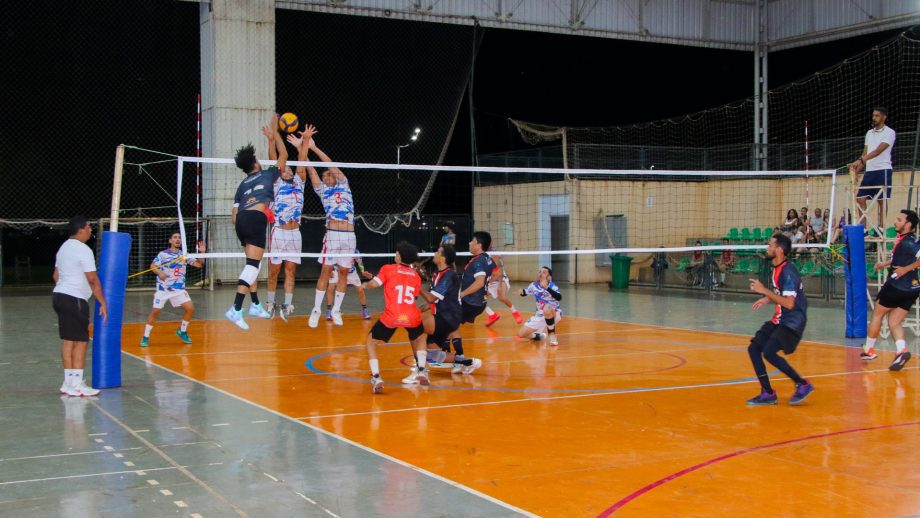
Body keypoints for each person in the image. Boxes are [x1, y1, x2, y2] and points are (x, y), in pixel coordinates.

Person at [287, 130, 355, 328]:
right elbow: (311, 170)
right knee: (325, 272)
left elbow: (330, 165)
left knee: (343, 273)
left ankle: (336, 310)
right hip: (332, 236)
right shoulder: (323, 191)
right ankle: (316, 309)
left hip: (349, 236)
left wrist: (313, 147)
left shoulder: (344, 184)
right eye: (324, 176)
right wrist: (301, 149)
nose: (326, 177)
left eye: (328, 174)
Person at [225, 115, 288, 330]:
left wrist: (270, 141)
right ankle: (235, 308)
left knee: (253, 265)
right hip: (255, 219)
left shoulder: (243, 184)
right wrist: (276, 133)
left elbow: (234, 214)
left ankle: (255, 304)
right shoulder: (267, 175)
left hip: (241, 220)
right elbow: (284, 155)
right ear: (255, 163)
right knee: (253, 266)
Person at [745, 233, 815, 405]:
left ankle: (802, 384)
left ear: (780, 250)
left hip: (792, 321)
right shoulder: (776, 268)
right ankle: (767, 392)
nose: (767, 248)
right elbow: (781, 293)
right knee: (754, 349)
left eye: (770, 245)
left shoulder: (788, 272)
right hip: (780, 318)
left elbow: (790, 304)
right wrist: (767, 298)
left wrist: (765, 291)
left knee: (768, 352)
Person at [361, 241, 429, 393]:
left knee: (371, 341)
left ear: (399, 255)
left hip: (392, 315)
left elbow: (375, 284)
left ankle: (376, 376)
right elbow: (413, 296)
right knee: (421, 337)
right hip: (411, 314)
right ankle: (422, 369)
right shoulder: (416, 276)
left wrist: (365, 284)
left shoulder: (387, 268)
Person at [263, 124, 315, 321]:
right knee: (274, 271)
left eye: (290, 169)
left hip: (295, 233)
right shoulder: (276, 184)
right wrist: (271, 139)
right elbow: (274, 160)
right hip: (279, 232)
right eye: (285, 169)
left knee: (291, 270)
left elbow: (302, 160)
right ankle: (270, 303)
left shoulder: (299, 183)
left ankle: (287, 304)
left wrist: (306, 141)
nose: (288, 170)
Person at [53, 216, 108, 397]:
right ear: (81, 229)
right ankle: (77, 384)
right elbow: (92, 278)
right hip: (74, 299)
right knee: (81, 341)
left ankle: (68, 383)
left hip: (60, 296)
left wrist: (68, 284)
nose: (91, 230)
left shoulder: (63, 248)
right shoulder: (83, 250)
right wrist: (102, 301)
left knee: (69, 340)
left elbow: (56, 275)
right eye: (89, 227)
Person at [860, 209, 920, 371]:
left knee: (878, 314)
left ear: (908, 224)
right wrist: (884, 264)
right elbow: (900, 257)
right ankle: (902, 351)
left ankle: (868, 350)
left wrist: (905, 269)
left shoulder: (909, 242)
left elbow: (915, 260)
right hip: (913, 288)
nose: (895, 222)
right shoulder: (908, 240)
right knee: (894, 321)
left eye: (899, 220)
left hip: (898, 285)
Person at [418, 244, 482, 376]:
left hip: (449, 317)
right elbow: (433, 300)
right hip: (442, 316)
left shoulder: (449, 275)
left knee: (417, 328)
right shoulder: (437, 275)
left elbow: (430, 298)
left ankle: (419, 371)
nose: (434, 254)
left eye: (437, 252)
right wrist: (419, 309)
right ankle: (468, 362)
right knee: (433, 356)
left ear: (443, 258)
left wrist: (416, 285)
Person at [141, 232, 205, 346]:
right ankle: (145, 336)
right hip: (163, 289)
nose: (178, 239)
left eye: (179, 238)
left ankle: (182, 331)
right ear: (170, 240)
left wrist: (202, 253)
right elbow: (153, 266)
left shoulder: (184, 255)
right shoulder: (163, 254)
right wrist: (160, 272)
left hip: (178, 289)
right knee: (155, 311)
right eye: (175, 237)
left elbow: (199, 265)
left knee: (190, 309)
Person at [446, 231, 495, 373]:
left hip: (471, 302)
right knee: (450, 325)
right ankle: (457, 358)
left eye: (472, 241)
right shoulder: (487, 259)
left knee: (448, 324)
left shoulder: (479, 261)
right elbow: (492, 274)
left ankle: (461, 361)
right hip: (478, 302)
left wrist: (461, 294)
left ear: (479, 245)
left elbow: (480, 282)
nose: (469, 243)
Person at [850, 107, 896, 231]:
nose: (874, 118)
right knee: (860, 199)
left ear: (884, 117)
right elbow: (865, 153)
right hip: (870, 171)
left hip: (883, 170)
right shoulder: (869, 133)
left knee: (882, 199)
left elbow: (877, 151)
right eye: (873, 115)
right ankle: (863, 228)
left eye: (877, 116)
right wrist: (857, 168)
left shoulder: (890, 132)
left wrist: (861, 160)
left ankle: (881, 226)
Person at [516, 266, 563, 346]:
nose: (541, 274)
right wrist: (521, 292)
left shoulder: (552, 286)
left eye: (544, 272)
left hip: (554, 312)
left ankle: (552, 336)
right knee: (521, 334)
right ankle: (538, 336)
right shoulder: (534, 285)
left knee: (546, 308)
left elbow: (559, 297)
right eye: (539, 272)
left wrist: (547, 288)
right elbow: (526, 292)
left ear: (549, 277)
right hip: (539, 315)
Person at [325, 249, 373, 320]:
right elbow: (330, 259)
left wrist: (363, 271)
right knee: (330, 287)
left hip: (351, 272)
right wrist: (330, 270)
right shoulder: (337, 249)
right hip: (337, 271)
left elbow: (359, 262)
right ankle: (329, 311)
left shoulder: (355, 251)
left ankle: (365, 310)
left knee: (360, 289)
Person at [483, 249, 523, 326]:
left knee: (501, 297)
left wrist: (500, 285)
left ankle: (515, 313)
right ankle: (492, 315)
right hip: (490, 282)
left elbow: (498, 275)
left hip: (500, 279)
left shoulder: (496, 261)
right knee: (479, 299)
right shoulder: (483, 259)